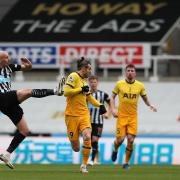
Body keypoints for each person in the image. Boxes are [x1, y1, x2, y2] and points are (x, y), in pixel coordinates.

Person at [0, 51, 65, 169]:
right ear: (0, 60)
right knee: (28, 92)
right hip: (1, 97)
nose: (8, 59)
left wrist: (28, 64)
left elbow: (27, 68)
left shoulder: (9, 67)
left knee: (24, 131)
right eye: (6, 58)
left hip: (9, 102)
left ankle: (7, 154)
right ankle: (56, 91)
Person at [63, 57, 107, 173]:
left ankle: (83, 165)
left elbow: (89, 97)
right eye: (89, 69)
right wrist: (80, 89)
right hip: (71, 116)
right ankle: (75, 143)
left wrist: (100, 105)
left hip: (84, 114)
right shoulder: (73, 76)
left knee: (87, 136)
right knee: (76, 148)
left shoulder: (83, 81)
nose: (90, 71)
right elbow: (66, 92)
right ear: (84, 68)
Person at [110, 64, 157, 169]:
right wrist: (113, 109)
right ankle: (115, 149)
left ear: (135, 73)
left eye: (132, 70)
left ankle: (126, 163)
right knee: (120, 140)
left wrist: (150, 105)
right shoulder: (119, 84)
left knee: (130, 140)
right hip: (121, 116)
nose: (130, 72)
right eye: (128, 70)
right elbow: (112, 97)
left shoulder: (140, 85)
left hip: (133, 117)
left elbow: (145, 98)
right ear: (125, 72)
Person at [87, 75, 110, 166]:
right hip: (87, 121)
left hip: (98, 121)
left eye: (95, 82)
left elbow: (111, 102)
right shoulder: (86, 94)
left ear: (97, 83)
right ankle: (96, 153)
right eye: (91, 82)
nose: (93, 84)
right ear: (89, 83)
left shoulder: (102, 94)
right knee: (89, 140)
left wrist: (109, 113)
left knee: (94, 139)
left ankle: (92, 160)